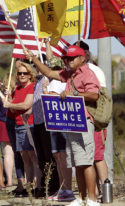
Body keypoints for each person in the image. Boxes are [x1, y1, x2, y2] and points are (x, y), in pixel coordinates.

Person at [25, 45, 101, 206]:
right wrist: (33, 58)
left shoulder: (88, 73)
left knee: (86, 161)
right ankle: (81, 198)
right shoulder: (69, 74)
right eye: (67, 58)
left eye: (73, 58)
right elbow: (47, 72)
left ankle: (93, 199)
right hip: (73, 123)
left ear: (82, 58)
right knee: (77, 162)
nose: (69, 61)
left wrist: (72, 94)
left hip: (85, 122)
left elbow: (94, 95)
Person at [3, 62, 43, 196]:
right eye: (19, 73)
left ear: (30, 74)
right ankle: (29, 186)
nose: (21, 75)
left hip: (29, 125)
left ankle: (39, 186)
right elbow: (13, 108)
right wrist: (9, 98)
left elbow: (27, 104)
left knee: (33, 156)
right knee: (24, 156)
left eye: (24, 73)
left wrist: (10, 103)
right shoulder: (18, 88)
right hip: (18, 124)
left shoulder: (31, 87)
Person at [78, 41, 108, 203]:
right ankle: (94, 192)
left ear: (86, 56)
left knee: (97, 155)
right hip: (83, 118)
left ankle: (105, 190)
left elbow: (97, 94)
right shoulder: (78, 72)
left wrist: (76, 93)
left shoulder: (93, 70)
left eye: (78, 56)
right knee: (88, 157)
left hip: (94, 117)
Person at [31, 39, 60, 198]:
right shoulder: (37, 82)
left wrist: (47, 44)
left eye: (39, 65)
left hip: (48, 124)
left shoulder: (50, 79)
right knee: (41, 158)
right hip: (37, 123)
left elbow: (50, 58)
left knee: (50, 157)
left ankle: (53, 186)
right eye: (36, 66)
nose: (37, 68)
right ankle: (45, 185)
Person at [43, 57, 75, 202]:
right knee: (58, 157)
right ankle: (63, 188)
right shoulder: (55, 80)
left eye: (57, 68)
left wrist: (45, 90)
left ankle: (68, 189)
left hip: (61, 122)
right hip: (53, 123)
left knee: (62, 157)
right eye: (53, 68)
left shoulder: (59, 81)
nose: (55, 70)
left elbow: (52, 98)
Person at [0, 73, 15, 187]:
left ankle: (9, 180)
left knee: (8, 153)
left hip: (3, 123)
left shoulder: (0, 94)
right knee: (23, 153)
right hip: (16, 122)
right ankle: (26, 179)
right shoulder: (18, 91)